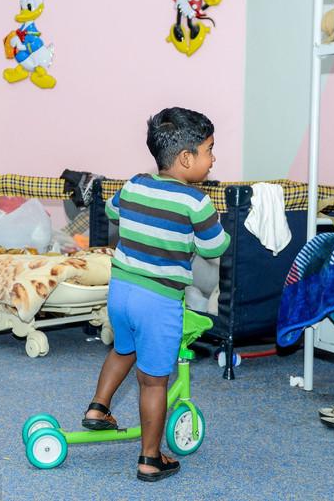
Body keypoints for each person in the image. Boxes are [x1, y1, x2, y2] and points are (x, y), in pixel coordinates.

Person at [81, 107, 230, 482]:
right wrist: (203, 233)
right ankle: (150, 457)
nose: (213, 159)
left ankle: (98, 407)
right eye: (210, 150)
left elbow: (112, 211)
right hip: (158, 301)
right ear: (186, 158)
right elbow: (215, 247)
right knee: (153, 381)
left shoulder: (135, 184)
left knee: (123, 350)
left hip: (120, 291)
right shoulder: (196, 202)